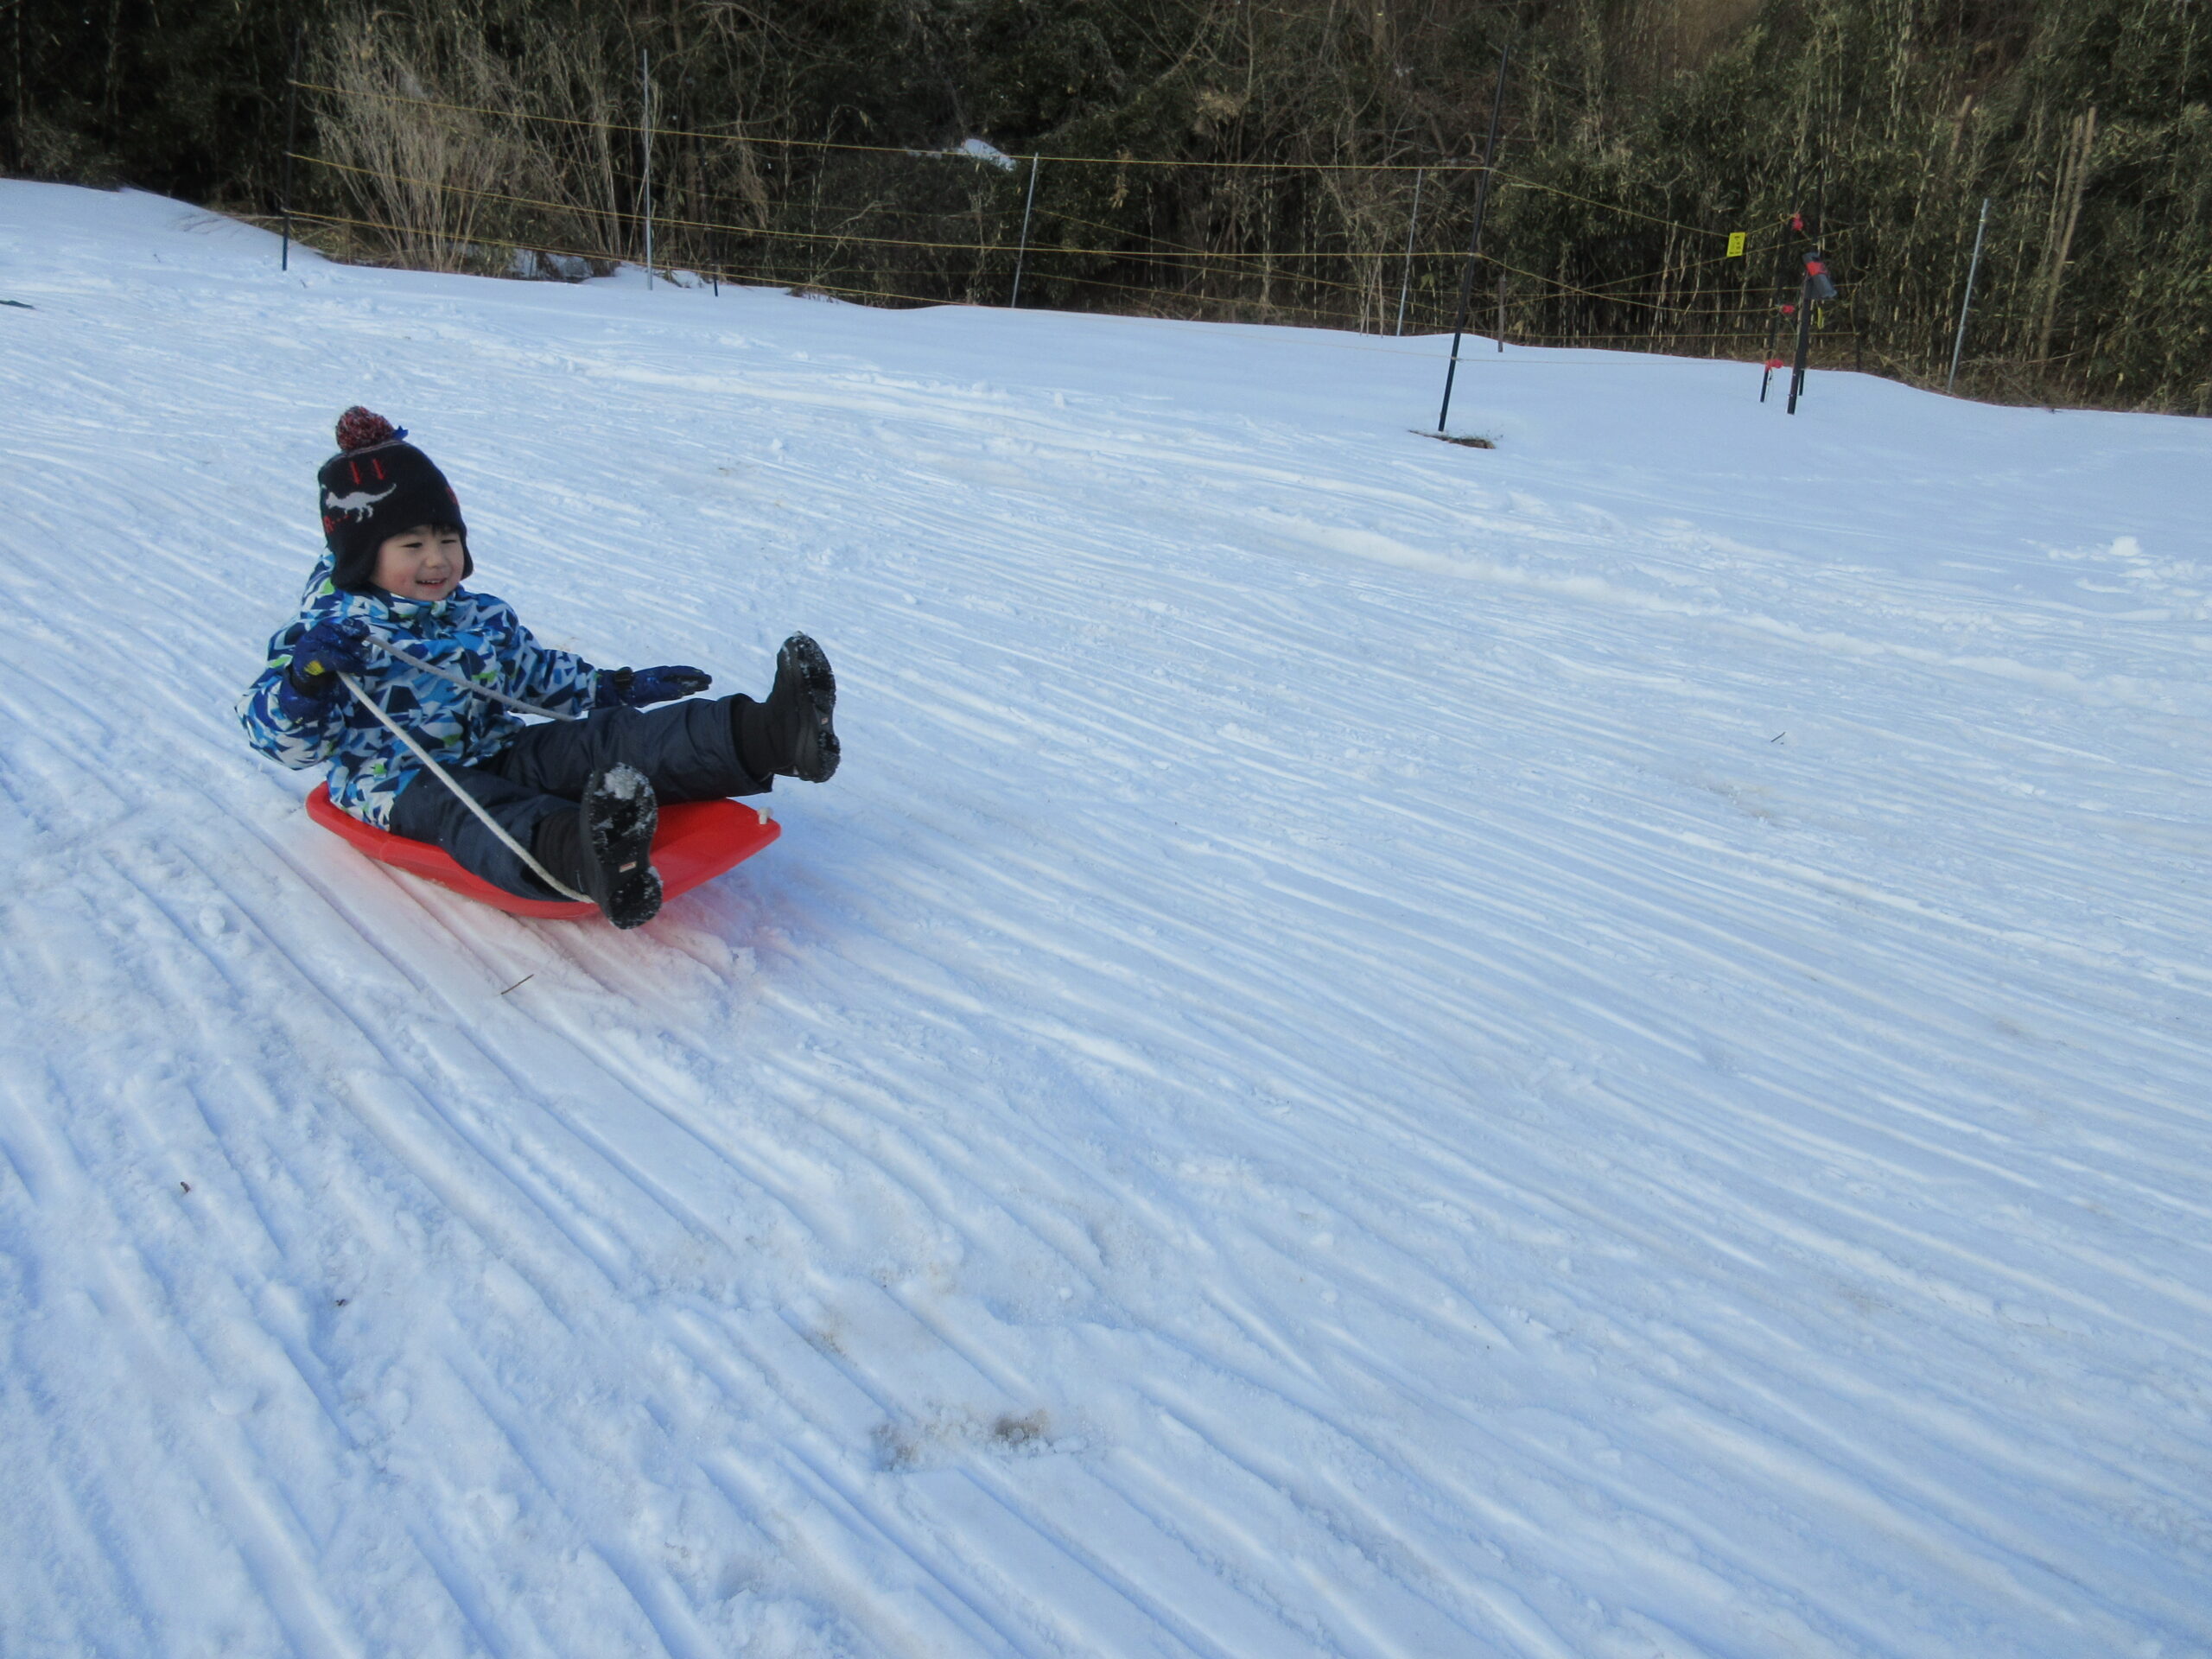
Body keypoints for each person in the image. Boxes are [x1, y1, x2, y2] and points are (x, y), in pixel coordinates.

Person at [239, 406, 838, 929]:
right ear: (362, 556)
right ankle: (589, 855)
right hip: (400, 785)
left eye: (448, 540)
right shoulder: (331, 635)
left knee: (605, 740)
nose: (437, 560)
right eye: (412, 545)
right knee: (473, 811)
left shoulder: (477, 615)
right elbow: (278, 742)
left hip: (499, 750)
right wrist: (303, 682)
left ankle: (772, 735)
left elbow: (533, 676)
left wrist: (615, 687)